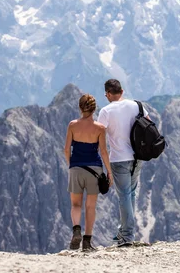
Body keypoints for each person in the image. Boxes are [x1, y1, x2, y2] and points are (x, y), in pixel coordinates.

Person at [97, 79, 149, 247]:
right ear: (122, 91)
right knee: (131, 194)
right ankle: (124, 230)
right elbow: (148, 123)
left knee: (124, 195)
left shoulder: (105, 111)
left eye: (106, 94)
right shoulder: (137, 105)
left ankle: (127, 235)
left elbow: (99, 135)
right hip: (137, 157)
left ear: (108, 94)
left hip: (119, 159)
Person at [64, 94, 112, 251]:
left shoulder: (72, 125)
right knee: (90, 206)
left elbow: (66, 149)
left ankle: (76, 229)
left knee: (76, 204)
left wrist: (72, 165)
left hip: (76, 169)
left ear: (80, 107)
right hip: (94, 171)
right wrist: (109, 172)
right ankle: (87, 242)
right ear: (94, 109)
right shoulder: (100, 128)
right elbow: (104, 151)